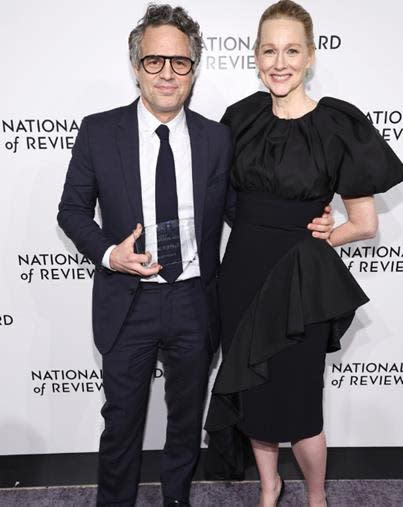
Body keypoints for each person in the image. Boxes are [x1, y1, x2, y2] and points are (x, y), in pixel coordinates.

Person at [203, 1, 403, 506]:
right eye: (269, 50)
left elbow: (364, 223)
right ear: (255, 56)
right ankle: (269, 486)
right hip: (243, 276)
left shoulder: (339, 124)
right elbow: (224, 199)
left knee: (299, 405)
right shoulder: (240, 118)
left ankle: (317, 495)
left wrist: (324, 233)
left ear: (311, 56)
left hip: (300, 284)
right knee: (250, 391)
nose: (280, 62)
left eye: (292, 50)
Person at [55, 5, 229, 506]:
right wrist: (111, 254)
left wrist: (309, 216)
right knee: (122, 425)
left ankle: (177, 499)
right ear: (135, 66)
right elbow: (71, 211)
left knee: (185, 422)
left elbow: (242, 209)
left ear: (194, 69)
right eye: (155, 61)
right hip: (128, 301)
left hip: (196, 300)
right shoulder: (98, 131)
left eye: (180, 62)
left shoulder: (216, 138)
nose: (168, 74)